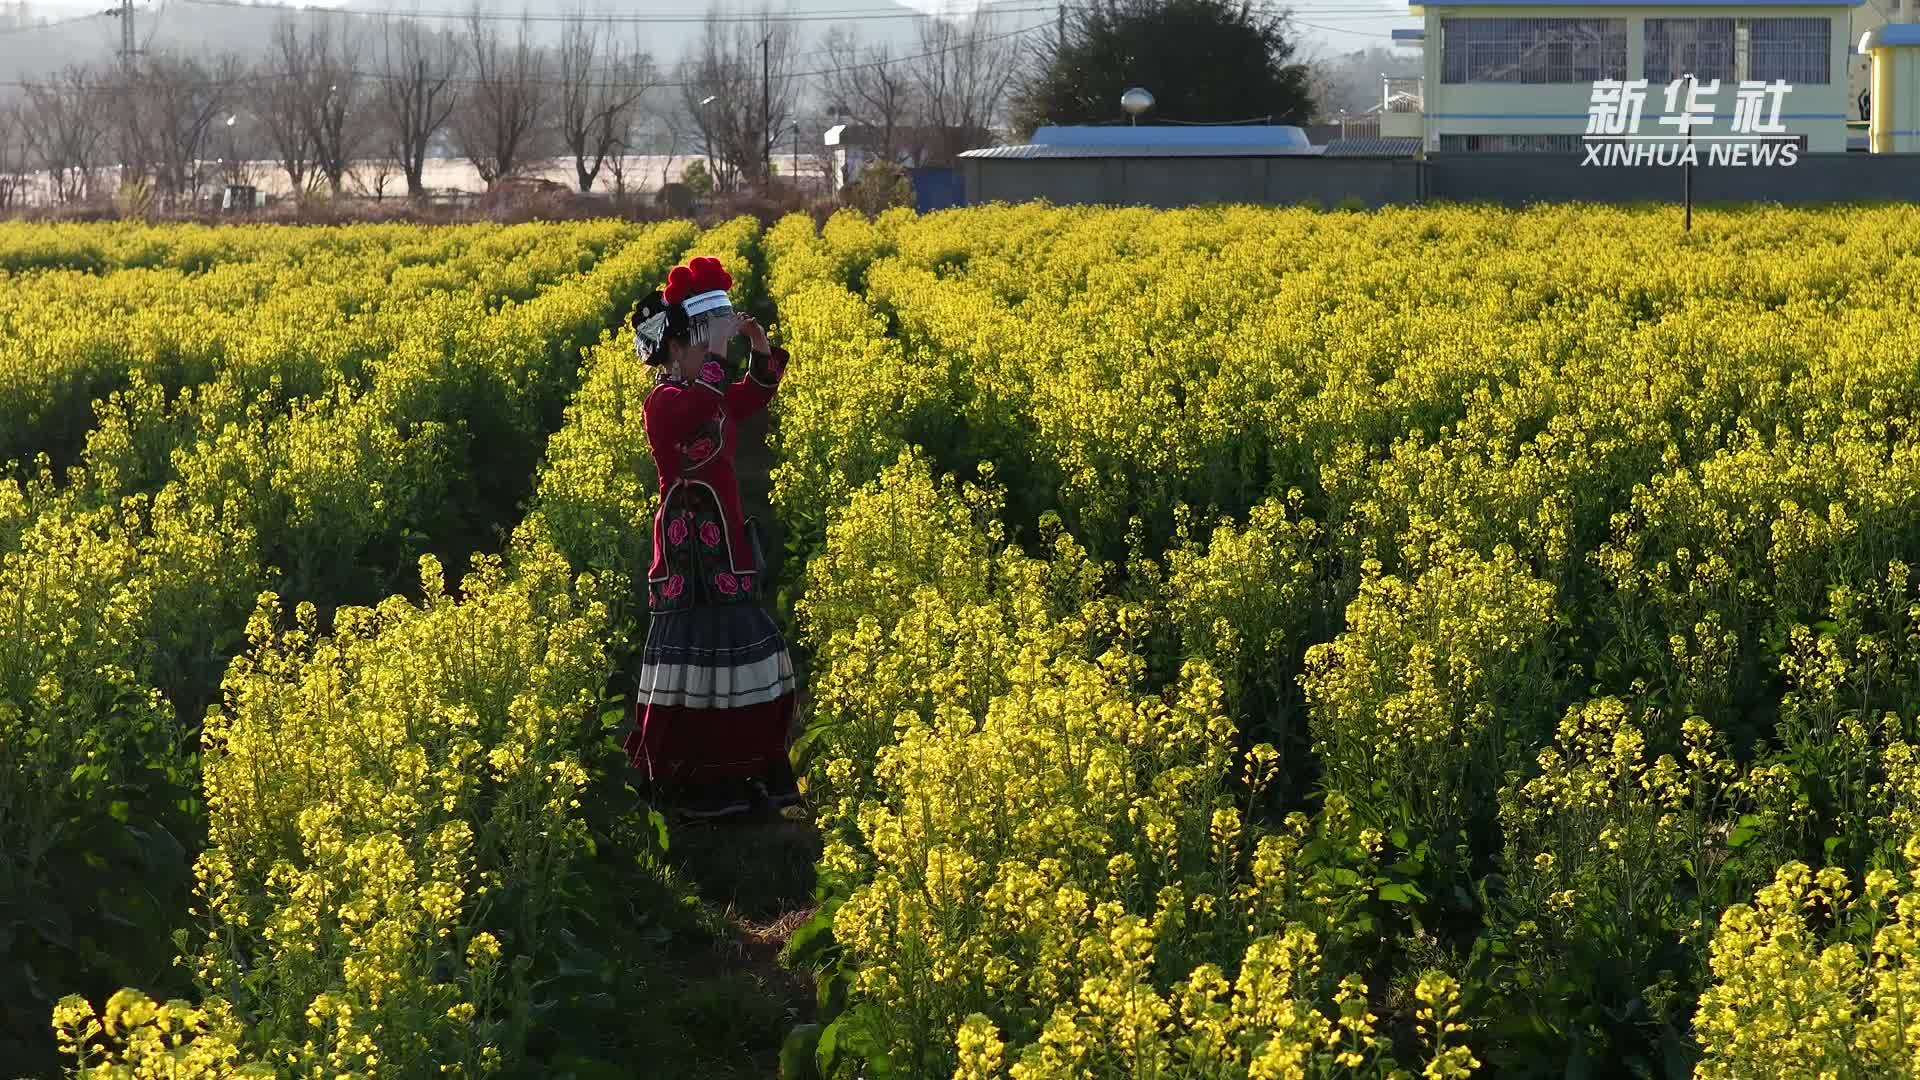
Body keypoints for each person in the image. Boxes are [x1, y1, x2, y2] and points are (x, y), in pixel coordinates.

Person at [625, 255, 801, 822]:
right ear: (677, 348)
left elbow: (751, 396)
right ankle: (694, 785)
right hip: (686, 555)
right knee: (694, 662)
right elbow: (704, 402)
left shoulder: (709, 390)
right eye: (703, 343)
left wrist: (758, 347)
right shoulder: (664, 402)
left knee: (739, 653)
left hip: (724, 543)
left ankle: (745, 772)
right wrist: (723, 356)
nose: (710, 354)